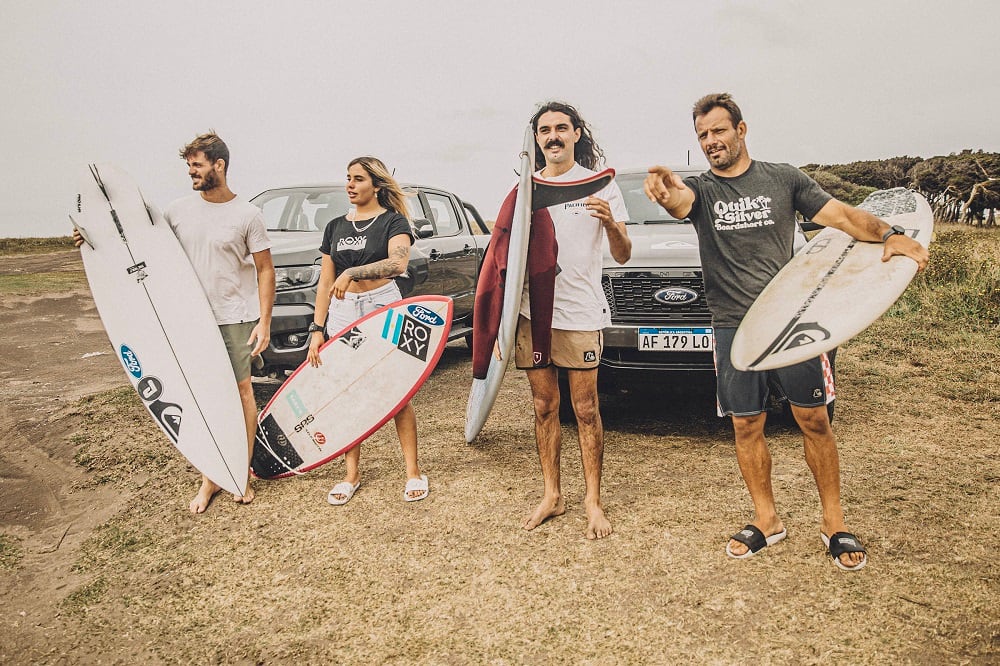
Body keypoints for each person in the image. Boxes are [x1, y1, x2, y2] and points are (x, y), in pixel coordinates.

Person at [644, 93, 929, 570]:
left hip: (793, 319)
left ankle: (834, 522)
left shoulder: (783, 178)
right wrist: (665, 190)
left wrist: (888, 234)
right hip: (734, 324)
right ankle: (767, 519)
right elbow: (679, 202)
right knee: (745, 423)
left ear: (741, 130)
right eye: (702, 135)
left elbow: (841, 217)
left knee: (814, 419)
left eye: (718, 131)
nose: (711, 141)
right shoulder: (703, 191)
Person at [74, 131, 275, 514]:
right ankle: (212, 477)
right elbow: (139, 247)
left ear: (220, 165)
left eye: (197, 165)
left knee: (241, 394)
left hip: (233, 317)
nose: (191, 173)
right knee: (201, 394)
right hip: (188, 319)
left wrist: (263, 322)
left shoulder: (248, 215)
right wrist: (92, 238)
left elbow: (266, 270)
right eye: (189, 166)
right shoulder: (177, 211)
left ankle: (241, 471)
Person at [517, 101, 631, 539]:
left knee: (585, 409)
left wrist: (613, 225)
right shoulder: (526, 188)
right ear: (537, 139)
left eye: (561, 128)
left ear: (577, 133)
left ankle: (592, 500)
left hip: (580, 311)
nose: (553, 136)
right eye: (544, 130)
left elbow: (622, 253)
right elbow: (507, 258)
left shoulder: (599, 185)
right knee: (544, 406)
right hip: (534, 313)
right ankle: (552, 494)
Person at [306, 156, 428, 505]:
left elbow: (398, 263)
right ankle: (351, 475)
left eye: (358, 179)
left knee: (395, 390)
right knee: (348, 391)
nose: (350, 184)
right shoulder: (334, 227)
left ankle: (413, 472)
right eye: (347, 178)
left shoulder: (393, 221)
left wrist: (354, 273)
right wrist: (317, 328)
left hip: (381, 305)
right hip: (343, 313)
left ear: (376, 185)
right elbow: (326, 281)